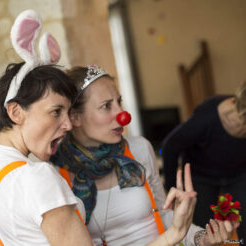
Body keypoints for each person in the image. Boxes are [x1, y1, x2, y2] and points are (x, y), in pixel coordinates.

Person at [51, 65, 237, 246]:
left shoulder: (139, 149)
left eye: (119, 101)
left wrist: (201, 238)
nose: (122, 113)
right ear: (75, 117)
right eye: (106, 106)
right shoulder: (55, 173)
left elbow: (164, 216)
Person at [0, 10, 92, 245]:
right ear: (16, 112)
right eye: (56, 112)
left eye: (68, 112)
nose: (67, 124)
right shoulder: (38, 177)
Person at [162, 81, 246, 240]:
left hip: (238, 173)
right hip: (201, 176)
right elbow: (170, 146)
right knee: (203, 232)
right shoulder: (207, 115)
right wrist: (172, 189)